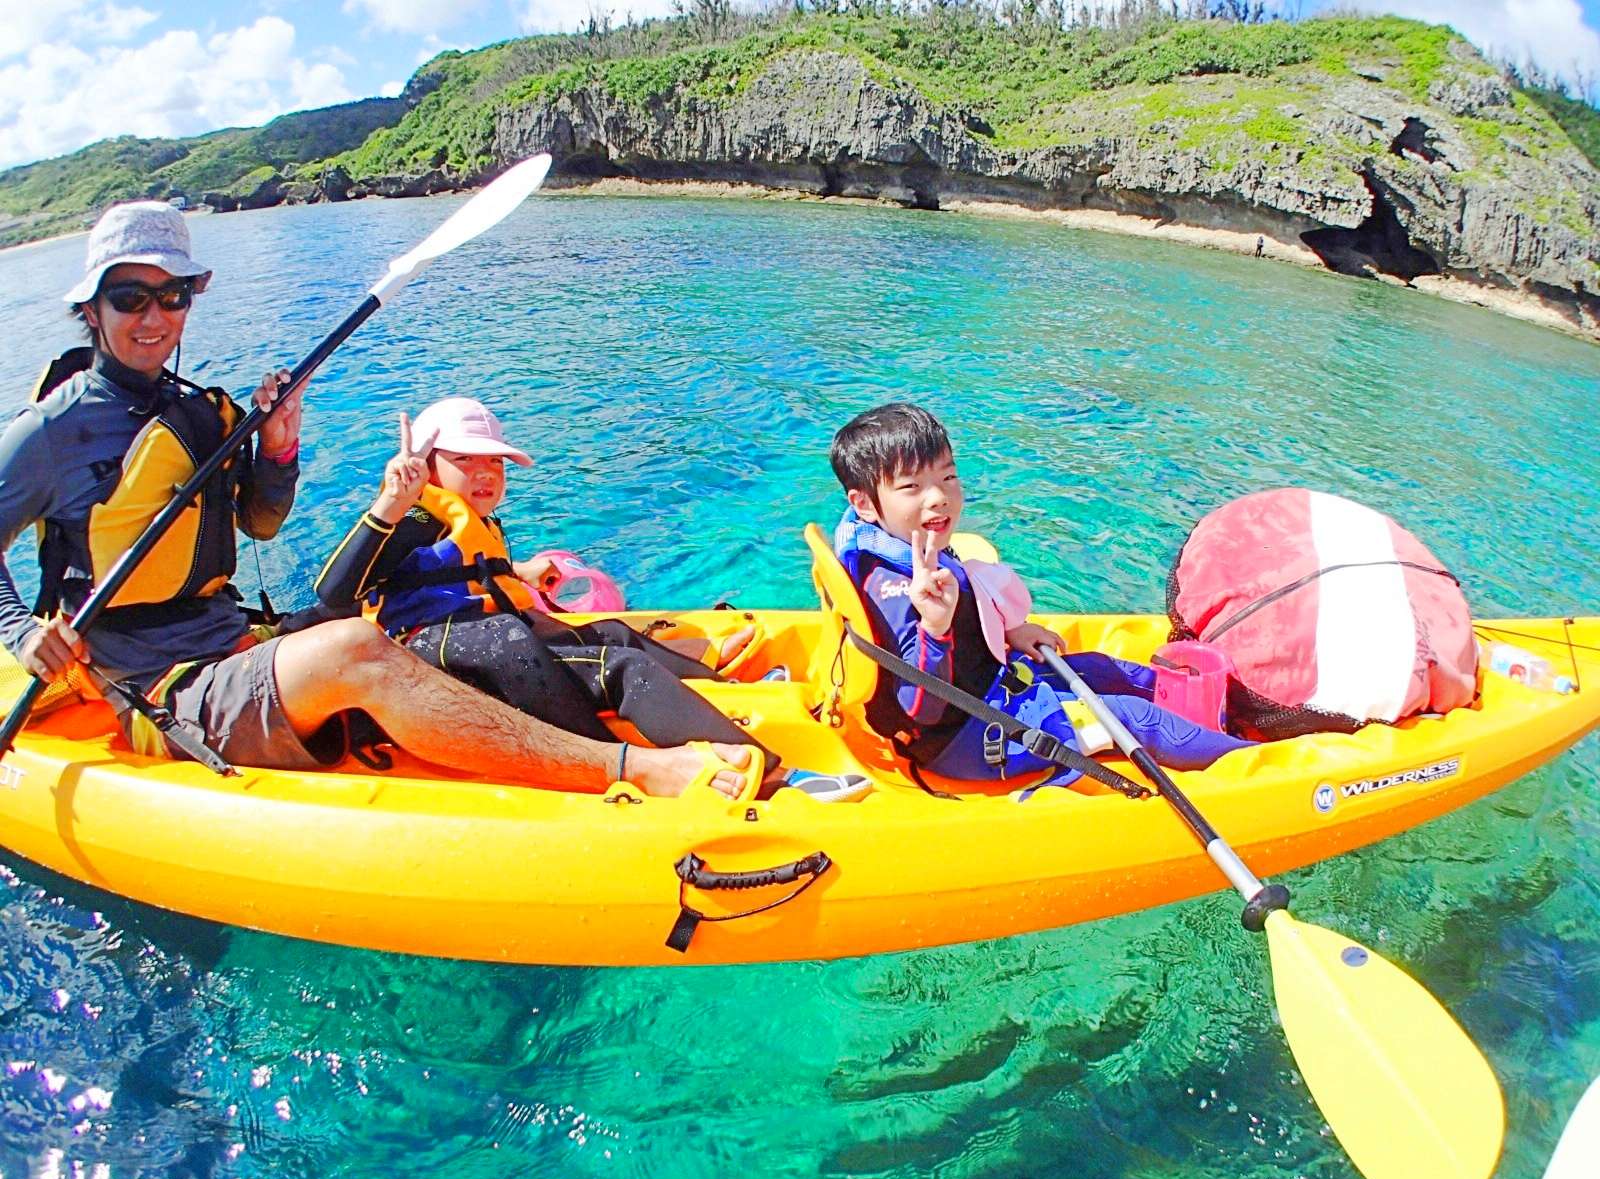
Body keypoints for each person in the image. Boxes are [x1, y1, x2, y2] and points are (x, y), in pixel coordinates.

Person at [0, 199, 753, 799]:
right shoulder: (52, 430)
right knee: (359, 645)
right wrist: (20, 632)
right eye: (132, 297)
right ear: (91, 308)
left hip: (236, 647)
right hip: (158, 687)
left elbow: (259, 522)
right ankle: (625, 771)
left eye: (173, 294)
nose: (156, 317)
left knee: (441, 639)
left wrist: (280, 447)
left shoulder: (198, 409)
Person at [309, 395, 871, 802]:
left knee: (615, 635)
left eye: (495, 463)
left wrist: (523, 571)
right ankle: (772, 776)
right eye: (466, 461)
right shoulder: (407, 520)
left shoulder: (475, 522)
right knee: (622, 668)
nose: (486, 474)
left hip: (487, 642)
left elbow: (472, 572)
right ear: (427, 466)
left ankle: (719, 691)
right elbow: (334, 595)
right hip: (439, 662)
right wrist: (387, 502)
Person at [827, 403, 1253, 784]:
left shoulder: (905, 542)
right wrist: (935, 629)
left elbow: (967, 627)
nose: (939, 497)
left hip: (988, 688)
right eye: (911, 488)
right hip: (966, 738)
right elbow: (921, 709)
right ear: (865, 504)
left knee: (1100, 670)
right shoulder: (897, 588)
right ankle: (1260, 764)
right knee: (1130, 716)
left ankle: (1224, 707)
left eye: (948, 476)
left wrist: (1009, 631)